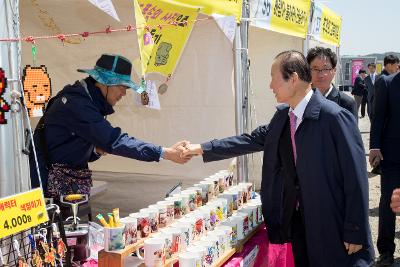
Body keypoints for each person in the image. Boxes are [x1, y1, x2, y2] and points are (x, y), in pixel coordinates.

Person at [181, 51, 374, 266]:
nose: (271, 85)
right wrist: (200, 149)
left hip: (332, 223)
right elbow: (248, 140)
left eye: (273, 77)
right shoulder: (284, 117)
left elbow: (356, 178)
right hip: (300, 222)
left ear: (292, 78)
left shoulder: (335, 118)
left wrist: (355, 231)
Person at [29, 54, 189, 199]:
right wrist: (164, 153)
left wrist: (95, 150)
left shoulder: (88, 100)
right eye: (121, 87)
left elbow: (68, 145)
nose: (124, 94)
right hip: (44, 184)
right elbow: (115, 141)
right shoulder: (77, 104)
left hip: (64, 182)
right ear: (103, 83)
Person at [369, 71, 400, 267]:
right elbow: (378, 116)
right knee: (389, 201)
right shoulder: (387, 83)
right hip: (392, 155)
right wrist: (375, 147)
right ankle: (386, 251)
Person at [306, 47, 357, 119]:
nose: (320, 75)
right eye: (315, 69)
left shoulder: (347, 103)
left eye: (326, 69)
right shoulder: (300, 99)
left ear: (334, 71)